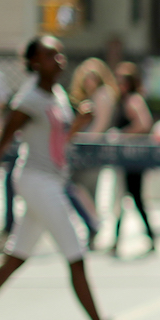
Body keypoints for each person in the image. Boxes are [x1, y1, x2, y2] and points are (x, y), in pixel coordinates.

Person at [0, 37, 137, 320]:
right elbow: (3, 140)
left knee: (15, 257)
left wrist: (78, 123)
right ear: (34, 62)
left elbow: (59, 140)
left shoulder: (57, 95)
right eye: (50, 55)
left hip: (49, 179)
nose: (59, 60)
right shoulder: (29, 99)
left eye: (60, 54)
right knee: (76, 253)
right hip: (38, 181)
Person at [68, 58, 119, 247]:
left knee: (86, 187)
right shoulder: (92, 97)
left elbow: (98, 127)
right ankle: (92, 226)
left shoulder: (103, 95)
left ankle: (93, 226)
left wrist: (78, 139)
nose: (88, 82)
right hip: (86, 148)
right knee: (80, 188)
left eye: (92, 77)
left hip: (92, 150)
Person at [109, 61, 157, 256]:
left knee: (131, 198)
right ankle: (118, 240)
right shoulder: (124, 100)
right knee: (126, 198)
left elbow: (144, 124)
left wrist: (122, 134)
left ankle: (125, 239)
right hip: (126, 157)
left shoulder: (133, 101)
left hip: (133, 157)